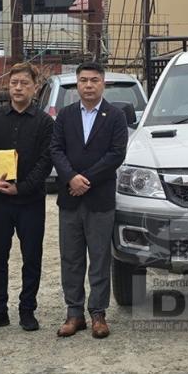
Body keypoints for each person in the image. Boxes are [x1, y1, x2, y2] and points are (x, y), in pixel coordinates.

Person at [0, 62, 54, 332]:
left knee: (31, 257)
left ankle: (27, 310)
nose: (18, 88)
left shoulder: (44, 122)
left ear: (35, 88)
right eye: (14, 83)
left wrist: (22, 188)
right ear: (8, 86)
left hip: (30, 201)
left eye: (24, 83)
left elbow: (46, 161)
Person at [51, 61, 128, 339]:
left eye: (94, 80)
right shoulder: (65, 115)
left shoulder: (115, 116)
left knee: (99, 258)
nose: (88, 85)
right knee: (71, 258)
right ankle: (74, 313)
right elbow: (55, 149)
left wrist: (85, 180)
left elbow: (116, 154)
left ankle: (98, 313)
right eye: (83, 80)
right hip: (70, 199)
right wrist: (71, 178)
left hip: (100, 200)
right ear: (77, 84)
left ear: (103, 83)